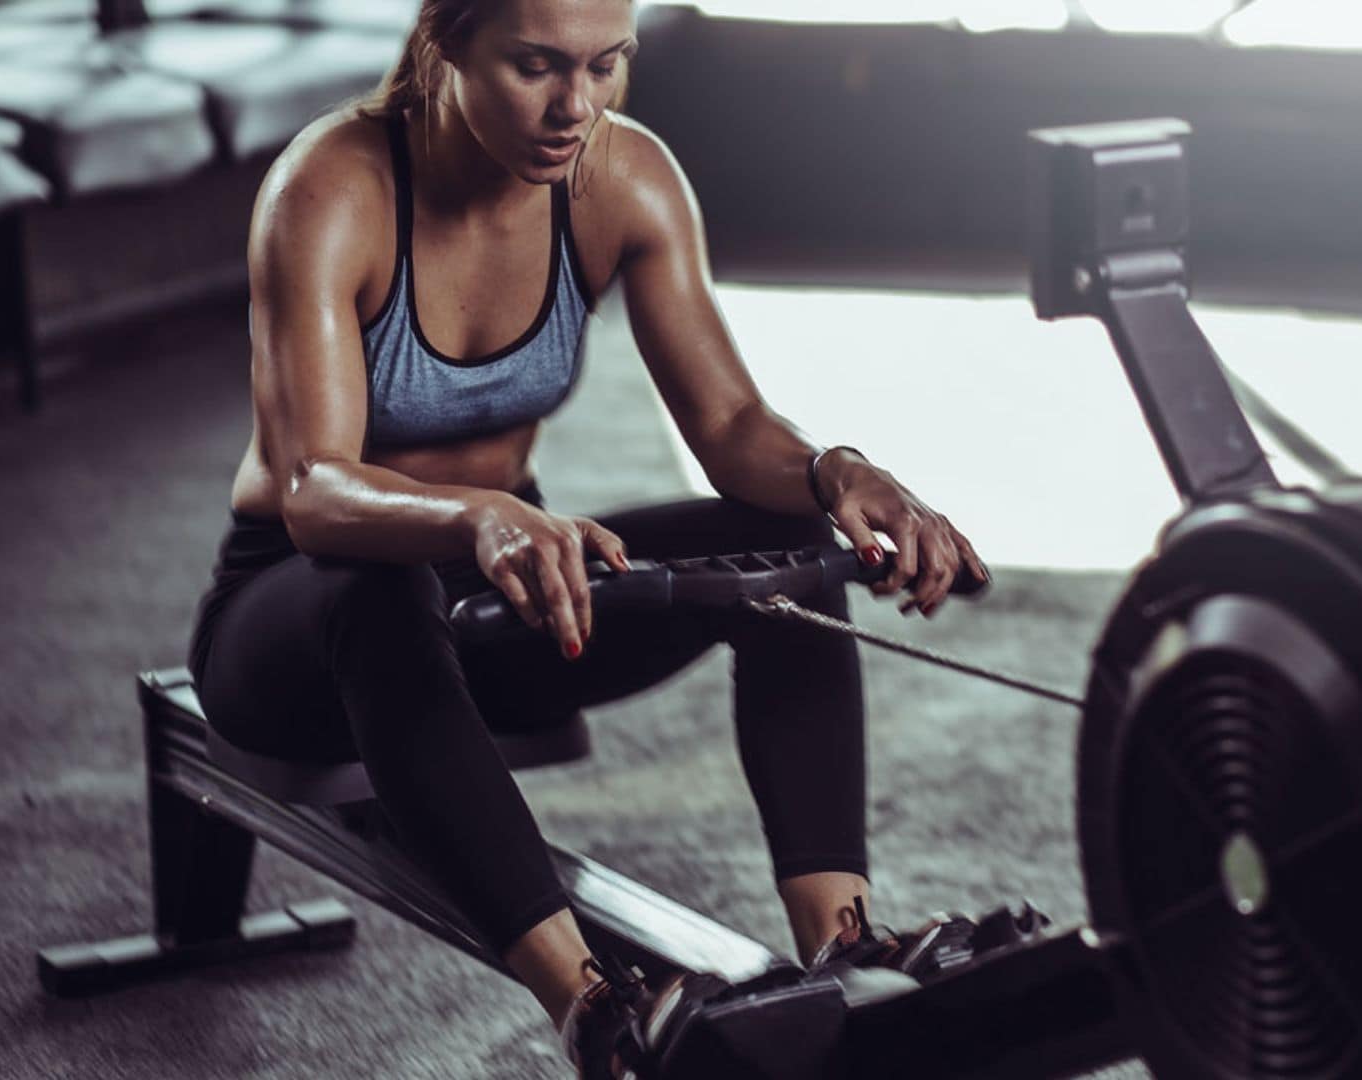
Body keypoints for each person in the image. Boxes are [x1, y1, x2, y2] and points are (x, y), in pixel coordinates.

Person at [183, 0, 987, 1071]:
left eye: (606, 65)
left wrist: (833, 470)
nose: (576, 105)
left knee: (772, 546)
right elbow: (313, 489)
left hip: (502, 600)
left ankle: (844, 946)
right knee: (381, 592)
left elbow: (732, 426)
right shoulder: (334, 186)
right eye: (535, 67)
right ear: (447, 42)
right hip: (298, 619)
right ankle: (598, 1012)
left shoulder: (626, 179)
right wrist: (475, 514)